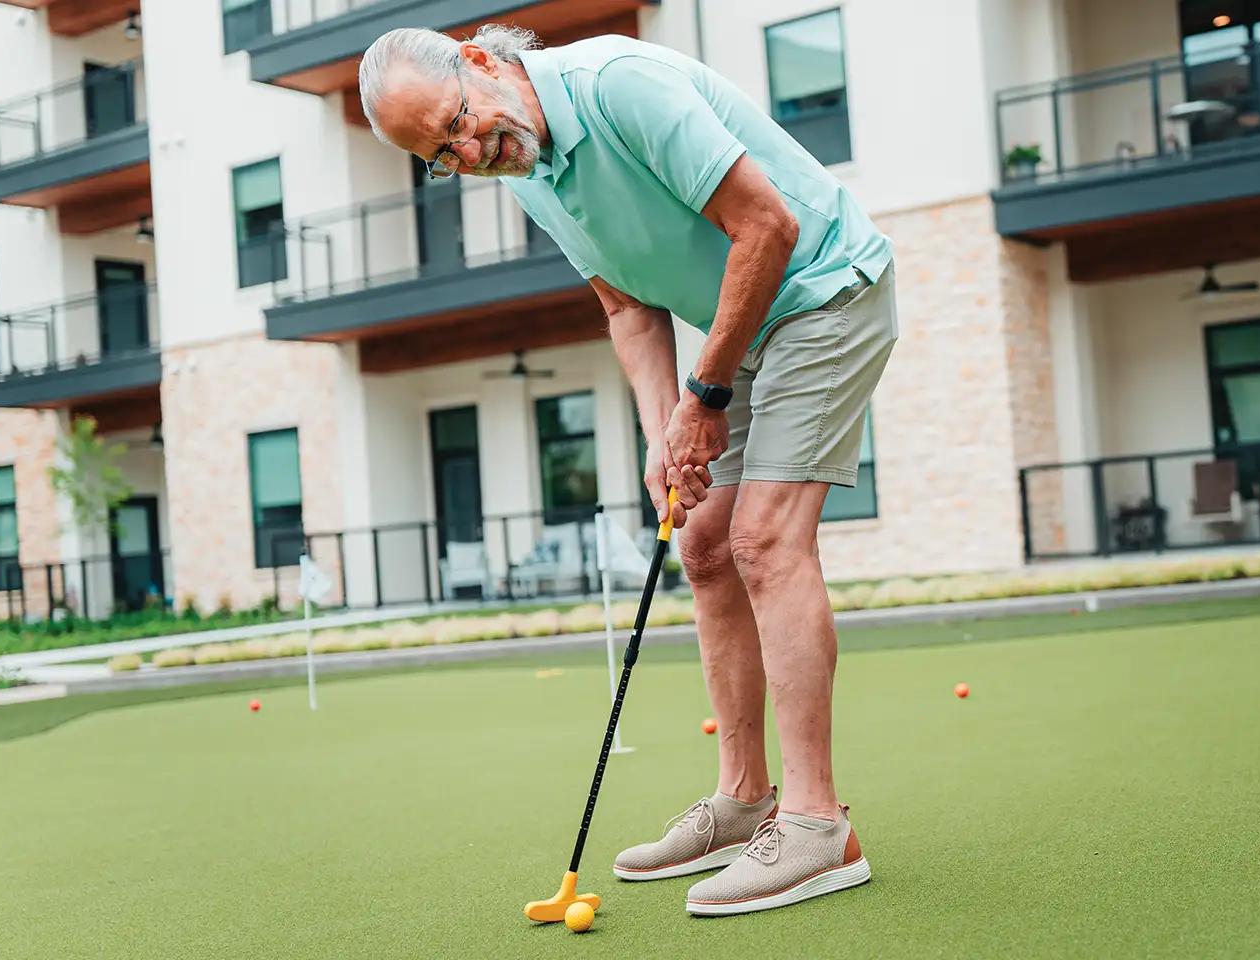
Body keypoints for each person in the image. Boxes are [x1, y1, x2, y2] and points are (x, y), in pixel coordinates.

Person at [357, 24, 896, 917]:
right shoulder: (524, 166)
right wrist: (663, 436)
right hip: (748, 327)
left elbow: (768, 224)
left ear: (483, 62)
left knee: (763, 540)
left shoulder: (619, 85)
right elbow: (624, 300)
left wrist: (705, 397)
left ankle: (816, 828)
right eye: (441, 157)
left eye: (456, 121)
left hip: (824, 292)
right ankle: (744, 799)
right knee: (707, 546)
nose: (466, 151)